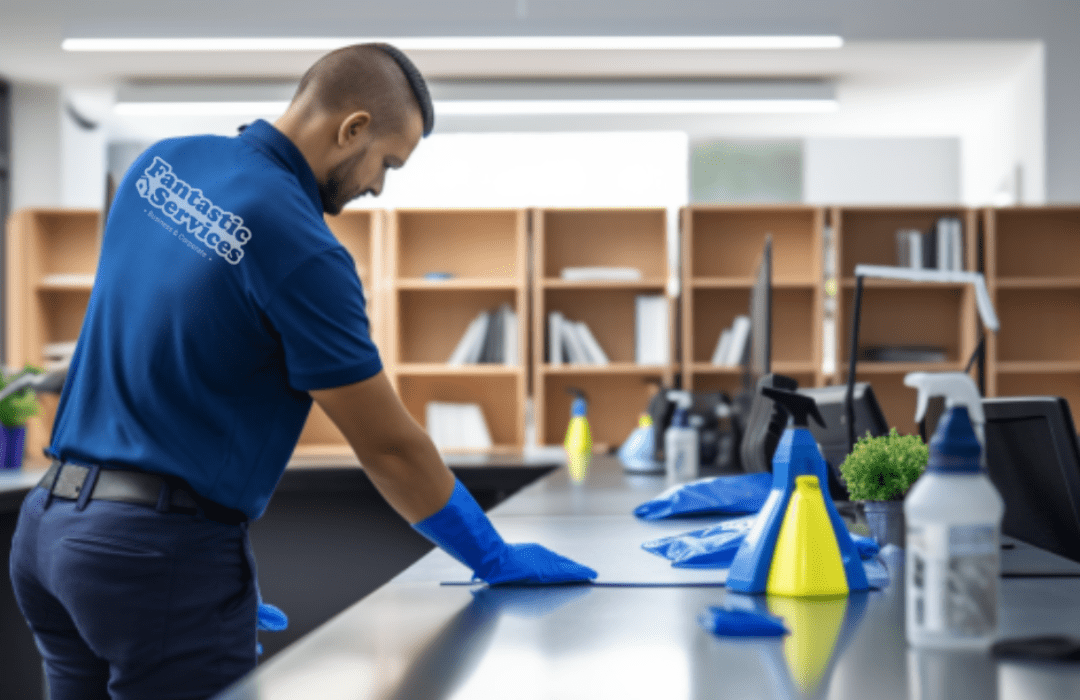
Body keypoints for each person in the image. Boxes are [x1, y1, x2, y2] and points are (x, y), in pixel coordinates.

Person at [9, 43, 596, 700]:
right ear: (352, 129)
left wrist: (195, 563)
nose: (378, 185)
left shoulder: (159, 164)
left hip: (49, 532)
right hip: (148, 552)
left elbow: (150, 333)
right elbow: (389, 446)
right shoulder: (303, 248)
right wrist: (495, 557)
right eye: (387, 162)